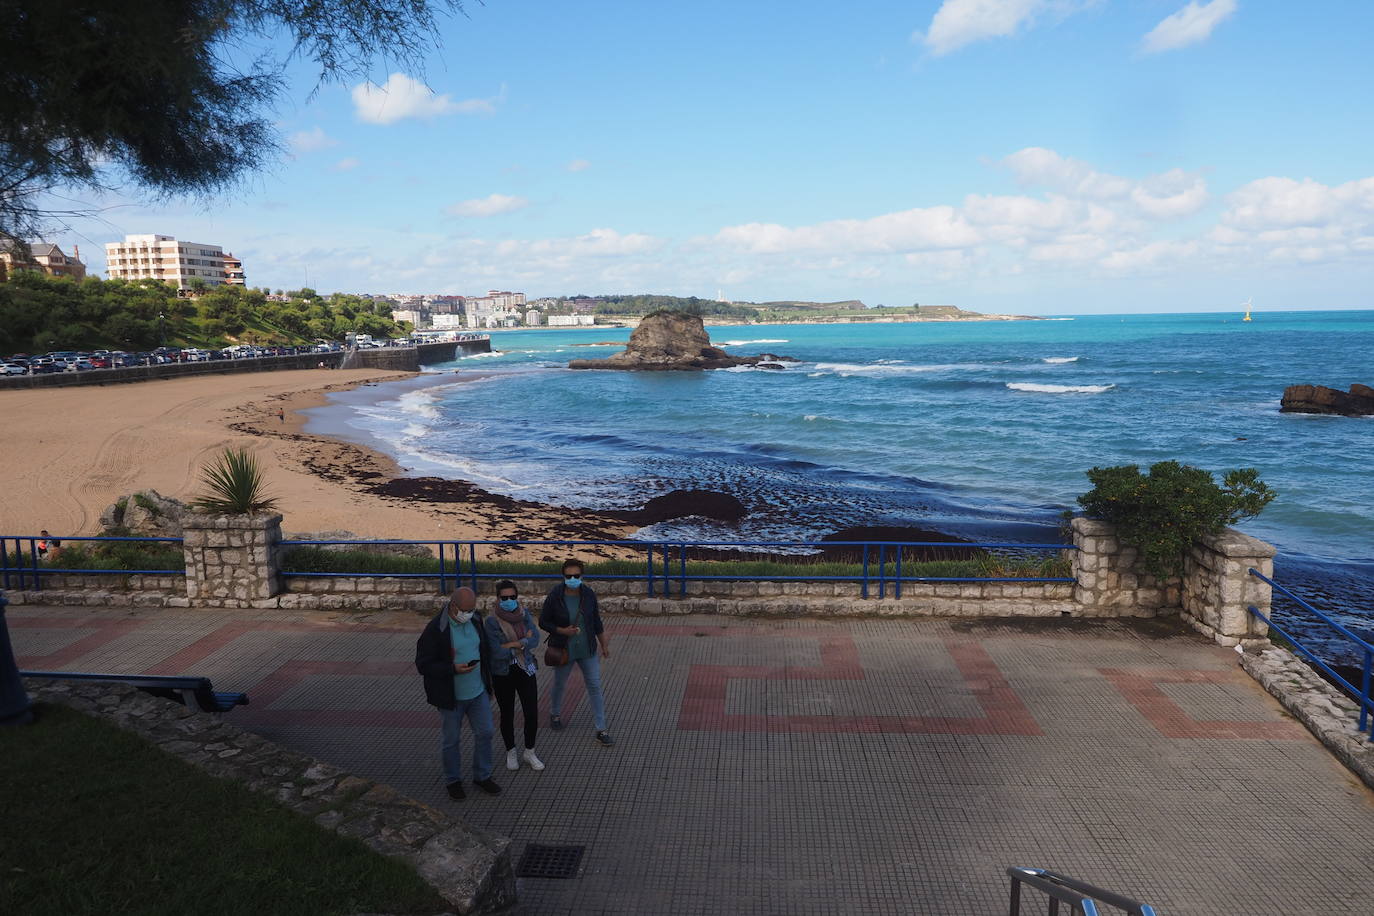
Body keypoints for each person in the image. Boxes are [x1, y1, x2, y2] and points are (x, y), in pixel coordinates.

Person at [415, 586, 501, 800]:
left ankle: (482, 775)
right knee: (451, 740)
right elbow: (423, 665)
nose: (469, 613)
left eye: (472, 609)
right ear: (453, 606)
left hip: (477, 691)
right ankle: (453, 780)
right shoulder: (436, 629)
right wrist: (452, 669)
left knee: (486, 732)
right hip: (451, 696)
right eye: (465, 610)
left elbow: (484, 651)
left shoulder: (475, 620)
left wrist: (488, 683)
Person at [540, 558, 613, 746]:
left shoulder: (588, 595)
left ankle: (601, 728)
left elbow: (596, 621)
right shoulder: (555, 596)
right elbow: (543, 621)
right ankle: (555, 714)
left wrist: (604, 645)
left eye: (576, 576)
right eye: (568, 576)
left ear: (582, 576)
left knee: (595, 686)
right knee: (559, 683)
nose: (572, 579)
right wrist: (561, 630)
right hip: (564, 649)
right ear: (563, 576)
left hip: (586, 648)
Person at [484, 580, 545, 772]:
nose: (509, 601)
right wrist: (521, 643)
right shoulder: (492, 621)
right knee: (507, 713)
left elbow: (535, 638)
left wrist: (512, 644)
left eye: (513, 597)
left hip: (525, 668)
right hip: (503, 672)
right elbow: (495, 652)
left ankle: (529, 751)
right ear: (498, 598)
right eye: (505, 598)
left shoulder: (523, 614)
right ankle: (511, 751)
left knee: (531, 712)